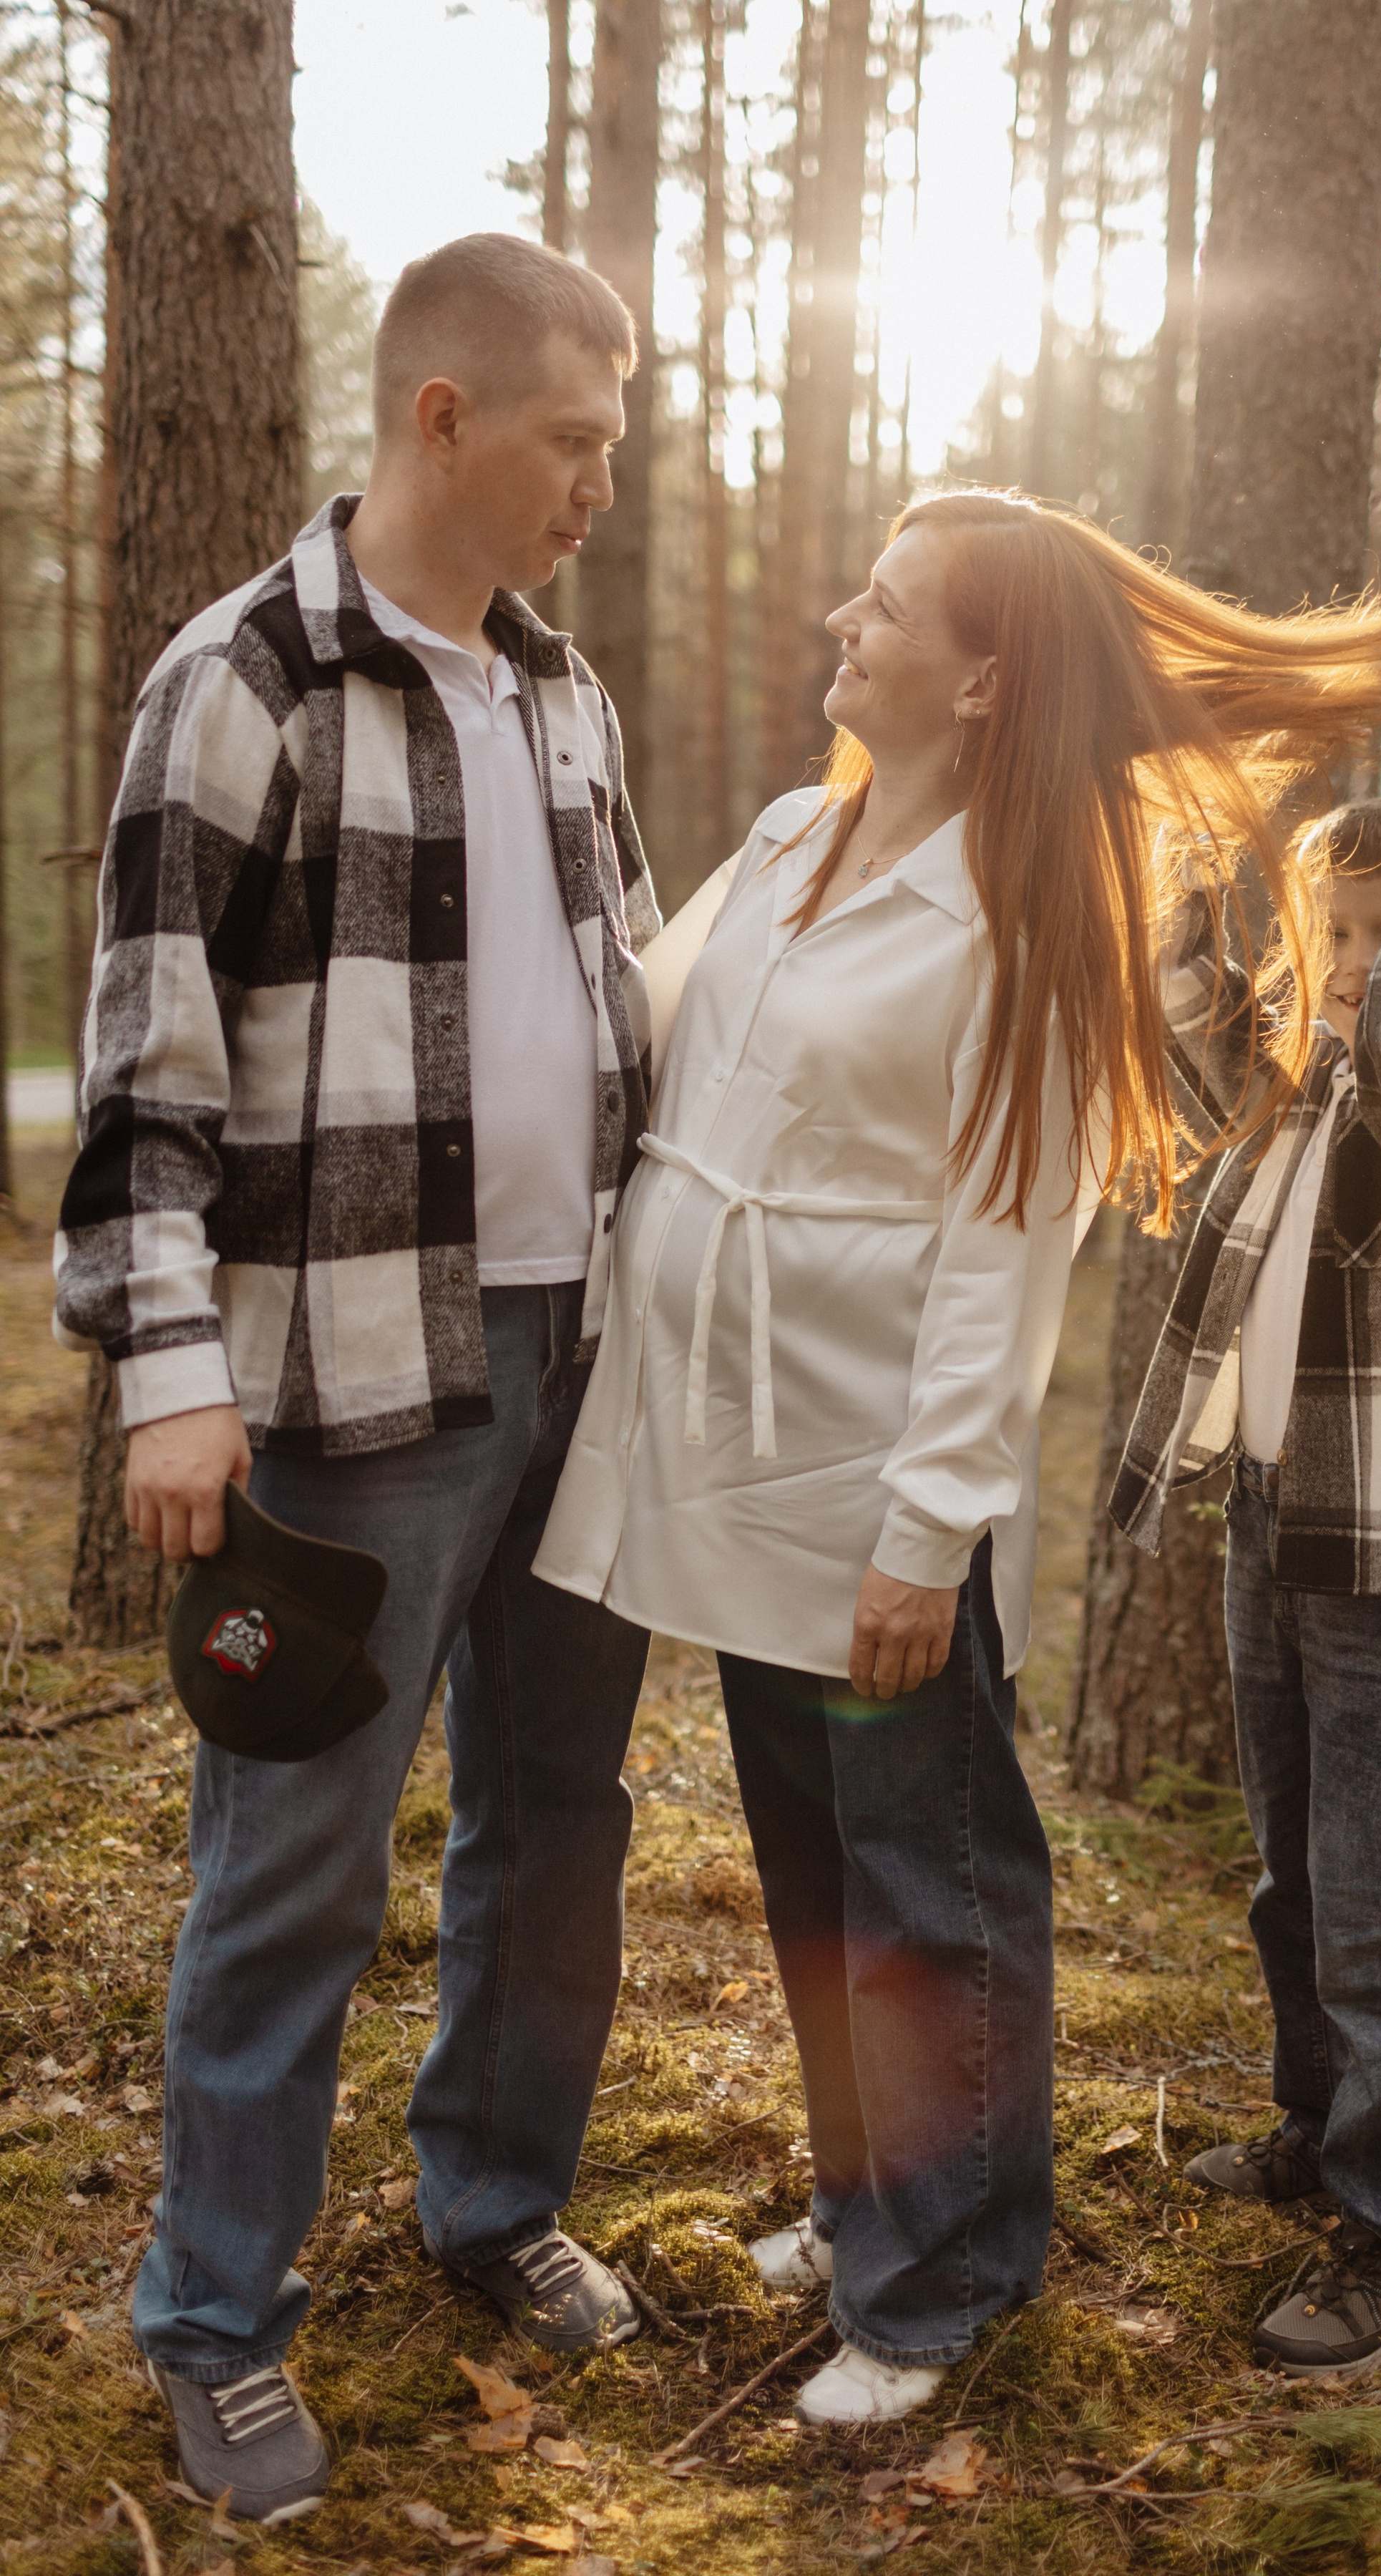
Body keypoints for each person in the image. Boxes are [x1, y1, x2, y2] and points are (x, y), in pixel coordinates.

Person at [537, 490, 1381, 2425]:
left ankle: (946, 2277)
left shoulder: (1027, 916)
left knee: (931, 1884)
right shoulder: (796, 830)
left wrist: (931, 1522)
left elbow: (1003, 1243)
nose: (839, 620)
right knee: (813, 1873)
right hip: (720, 1445)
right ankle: (871, 2190)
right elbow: (636, 1035)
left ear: (981, 675)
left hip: (874, 1473)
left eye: (881, 606)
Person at [54, 234, 658, 2515]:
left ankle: (492, 2209)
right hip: (336, 1393)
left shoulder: (559, 692)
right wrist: (169, 1371)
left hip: (573, 1362)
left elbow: (616, 1001)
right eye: (574, 442)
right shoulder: (246, 683)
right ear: (443, 421)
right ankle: (216, 2320)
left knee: (557, 1824)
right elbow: (145, 1077)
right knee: (291, 1867)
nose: (601, 486)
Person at [1110, 716, 1381, 2378]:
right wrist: (1191, 851)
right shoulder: (1281, 1092)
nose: (1359, 967)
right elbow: (1177, 1023)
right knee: (1290, 1880)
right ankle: (1317, 2130)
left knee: (1378, 1905)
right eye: (1336, 936)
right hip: (1267, 1527)